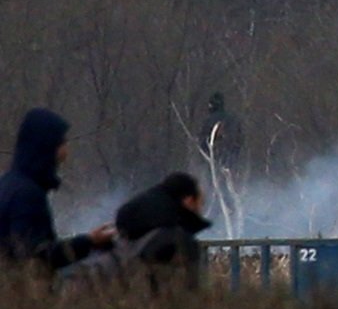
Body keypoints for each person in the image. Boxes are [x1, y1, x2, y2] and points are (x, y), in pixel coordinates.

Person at [0, 109, 112, 271]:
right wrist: (89, 242)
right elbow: (36, 258)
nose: (65, 153)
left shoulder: (8, 184)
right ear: (45, 147)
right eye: (61, 144)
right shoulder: (27, 194)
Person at [65, 172, 213, 291]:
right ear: (188, 201)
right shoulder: (178, 242)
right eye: (200, 203)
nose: (201, 210)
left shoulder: (123, 236)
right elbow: (183, 298)